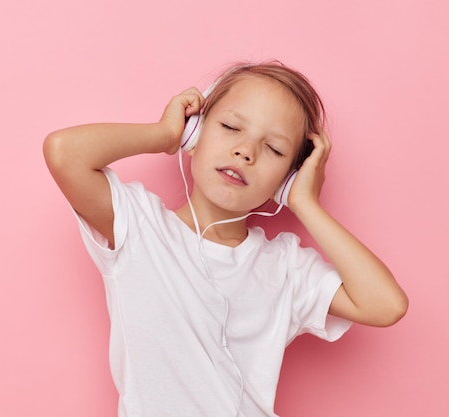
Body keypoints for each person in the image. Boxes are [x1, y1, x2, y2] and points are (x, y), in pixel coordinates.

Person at [43, 61, 408, 417]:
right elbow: (64, 152)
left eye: (275, 150)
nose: (245, 152)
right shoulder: (140, 227)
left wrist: (305, 202)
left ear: (288, 178)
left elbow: (386, 305)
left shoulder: (284, 268)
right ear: (195, 132)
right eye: (231, 126)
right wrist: (166, 134)